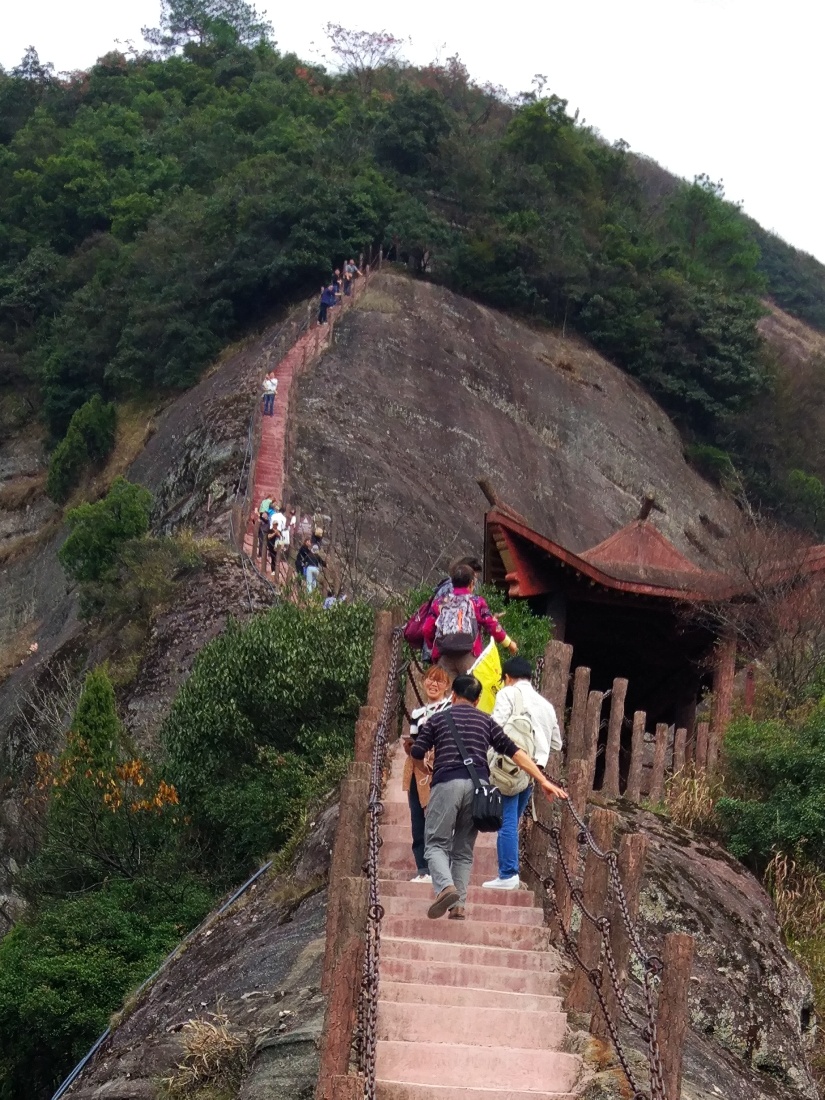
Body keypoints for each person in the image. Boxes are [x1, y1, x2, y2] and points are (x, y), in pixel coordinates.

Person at [411, 675, 567, 919]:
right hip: (479, 788)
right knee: (462, 850)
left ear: (452, 695)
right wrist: (543, 780)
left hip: (447, 784)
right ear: (479, 699)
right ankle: (458, 905)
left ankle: (445, 888)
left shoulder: (438, 719)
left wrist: (424, 770)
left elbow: (418, 752)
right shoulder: (487, 722)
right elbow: (516, 753)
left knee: (435, 844)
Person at [483, 656, 562, 891]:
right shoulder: (546, 705)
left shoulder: (508, 694)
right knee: (512, 820)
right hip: (533, 770)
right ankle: (509, 872)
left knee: (506, 819)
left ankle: (508, 874)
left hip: (509, 765)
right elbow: (556, 743)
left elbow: (494, 727)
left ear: (507, 677)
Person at [422, 563, 517, 680]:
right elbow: (491, 624)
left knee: (447, 696)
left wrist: (435, 648)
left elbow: (426, 629)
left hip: (445, 656)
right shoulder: (476, 602)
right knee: (470, 693)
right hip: (469, 654)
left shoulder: (440, 603)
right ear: (472, 583)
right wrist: (509, 643)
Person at [403, 666, 451, 882]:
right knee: (417, 817)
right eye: (430, 679)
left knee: (439, 818)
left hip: (441, 768)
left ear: (447, 686)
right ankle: (423, 868)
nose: (433, 684)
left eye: (439, 681)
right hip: (418, 769)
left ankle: (439, 867)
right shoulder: (417, 714)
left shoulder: (450, 708)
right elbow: (413, 741)